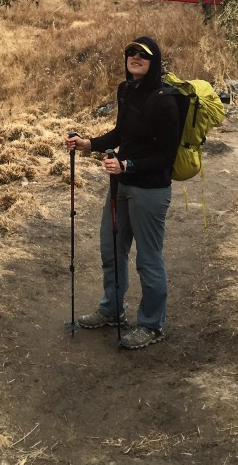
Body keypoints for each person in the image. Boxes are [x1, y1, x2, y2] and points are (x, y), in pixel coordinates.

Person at [65, 36, 183, 350]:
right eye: (130, 52)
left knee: (148, 259)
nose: (134, 57)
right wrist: (88, 143)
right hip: (121, 185)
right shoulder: (125, 89)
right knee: (112, 249)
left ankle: (151, 324)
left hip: (150, 191)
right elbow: (121, 134)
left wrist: (126, 165)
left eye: (142, 54)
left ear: (154, 60)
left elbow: (166, 158)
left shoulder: (165, 100)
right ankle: (111, 310)